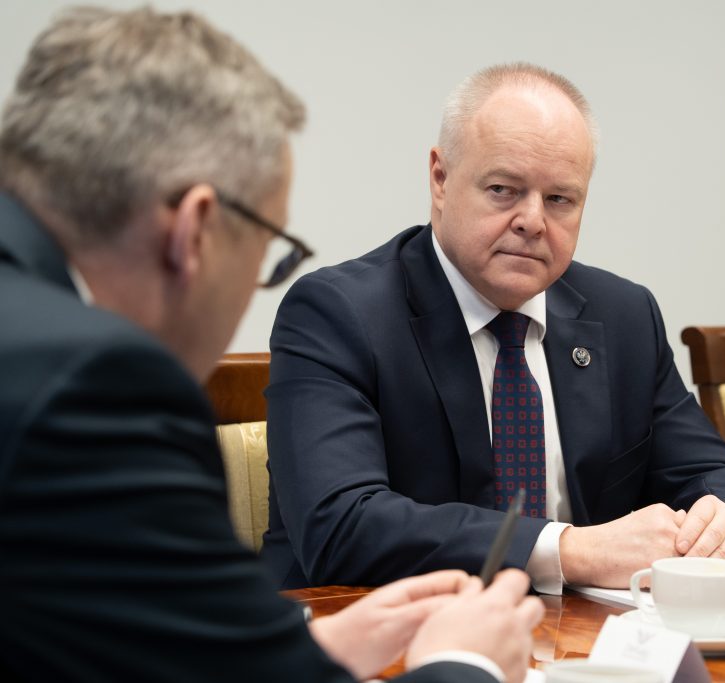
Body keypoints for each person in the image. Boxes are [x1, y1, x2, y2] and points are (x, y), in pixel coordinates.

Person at [0, 8, 541, 682]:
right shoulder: (94, 384)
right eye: (270, 253)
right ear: (194, 230)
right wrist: (466, 662)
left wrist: (303, 654)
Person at [263, 63, 725, 592]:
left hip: (588, 635)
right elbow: (341, 526)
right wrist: (569, 550)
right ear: (440, 179)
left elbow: (712, 475)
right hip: (376, 626)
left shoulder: (624, 315)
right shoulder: (339, 313)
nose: (533, 221)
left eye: (560, 199)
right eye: (503, 189)